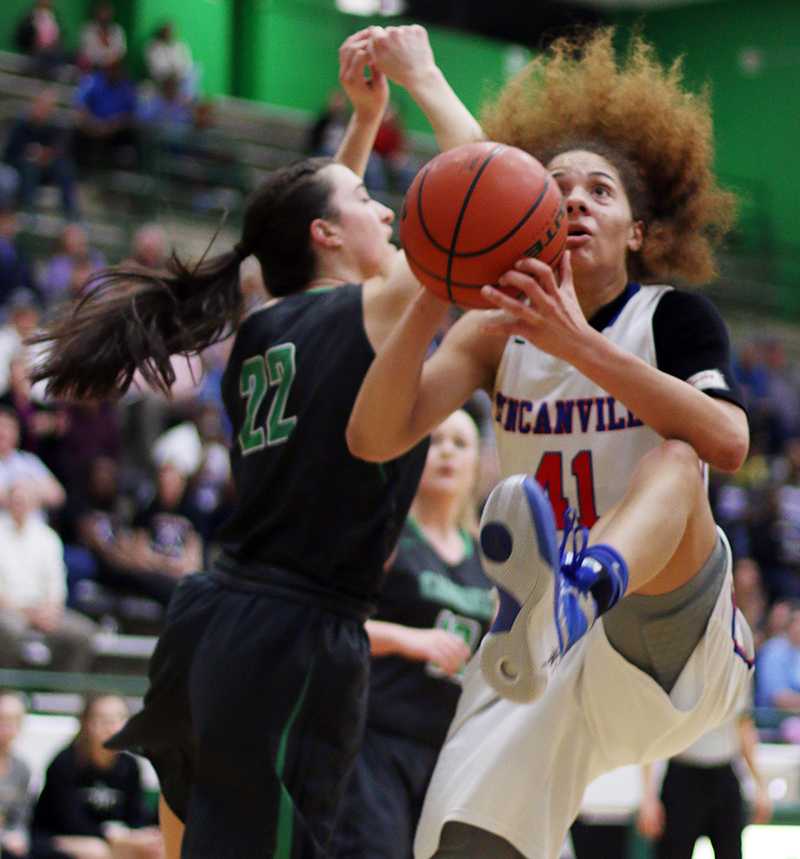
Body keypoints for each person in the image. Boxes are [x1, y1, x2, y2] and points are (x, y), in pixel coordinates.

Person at [31, 25, 481, 859]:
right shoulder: (365, 310)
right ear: (326, 235)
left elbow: (309, 220)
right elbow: (488, 197)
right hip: (293, 633)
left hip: (215, 611)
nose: (384, 205)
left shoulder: (260, 320)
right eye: (366, 202)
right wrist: (422, 80)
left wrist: (358, 123)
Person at [347, 27, 754, 859]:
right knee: (460, 843)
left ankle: (583, 585)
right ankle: (556, 603)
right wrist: (437, 279)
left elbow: (727, 440)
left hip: (662, 626)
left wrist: (581, 347)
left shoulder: (668, 316)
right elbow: (375, 433)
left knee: (674, 456)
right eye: (556, 186)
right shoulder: (498, 331)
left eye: (599, 191)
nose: (573, 199)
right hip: (529, 649)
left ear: (637, 232)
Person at [332, 409, 494, 858]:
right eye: (434, 440)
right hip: (377, 742)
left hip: (450, 753)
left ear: (477, 462)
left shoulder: (489, 557)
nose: (445, 451)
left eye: (460, 443)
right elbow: (333, 625)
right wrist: (409, 639)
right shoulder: (389, 537)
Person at [30, 693, 162, 859]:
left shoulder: (129, 766)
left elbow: (136, 816)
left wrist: (140, 835)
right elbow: (70, 823)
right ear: (86, 723)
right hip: (57, 838)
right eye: (104, 720)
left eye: (119, 719)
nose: (112, 727)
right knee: (97, 852)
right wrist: (113, 835)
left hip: (112, 840)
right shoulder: (65, 763)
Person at [637, 708, 772, 859]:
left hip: (724, 773)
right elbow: (652, 731)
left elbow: (744, 726)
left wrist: (760, 787)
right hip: (682, 775)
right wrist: (648, 797)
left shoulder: (736, 685)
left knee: (729, 851)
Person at [0, 481, 97, 672]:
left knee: (84, 633)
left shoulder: (48, 538)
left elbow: (56, 584)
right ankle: (7, 692)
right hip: (9, 610)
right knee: (7, 630)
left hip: (44, 610)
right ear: (8, 502)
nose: (20, 504)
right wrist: (25, 612)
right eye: (16, 500)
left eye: (25, 500)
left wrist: (50, 610)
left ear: (35, 503)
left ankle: (62, 692)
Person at [3, 89, 79, 219]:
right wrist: (29, 153)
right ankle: (28, 210)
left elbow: (59, 150)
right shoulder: (21, 123)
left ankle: (70, 212)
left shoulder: (56, 126)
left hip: (46, 167)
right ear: (35, 104)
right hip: (21, 167)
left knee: (64, 167)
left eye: (48, 107)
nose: (43, 110)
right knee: (30, 166)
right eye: (41, 105)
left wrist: (44, 154)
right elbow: (10, 152)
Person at [0, 690, 33, 859]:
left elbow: (21, 817)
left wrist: (17, 836)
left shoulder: (22, 769)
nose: (6, 726)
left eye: (13, 720)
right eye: (2, 718)